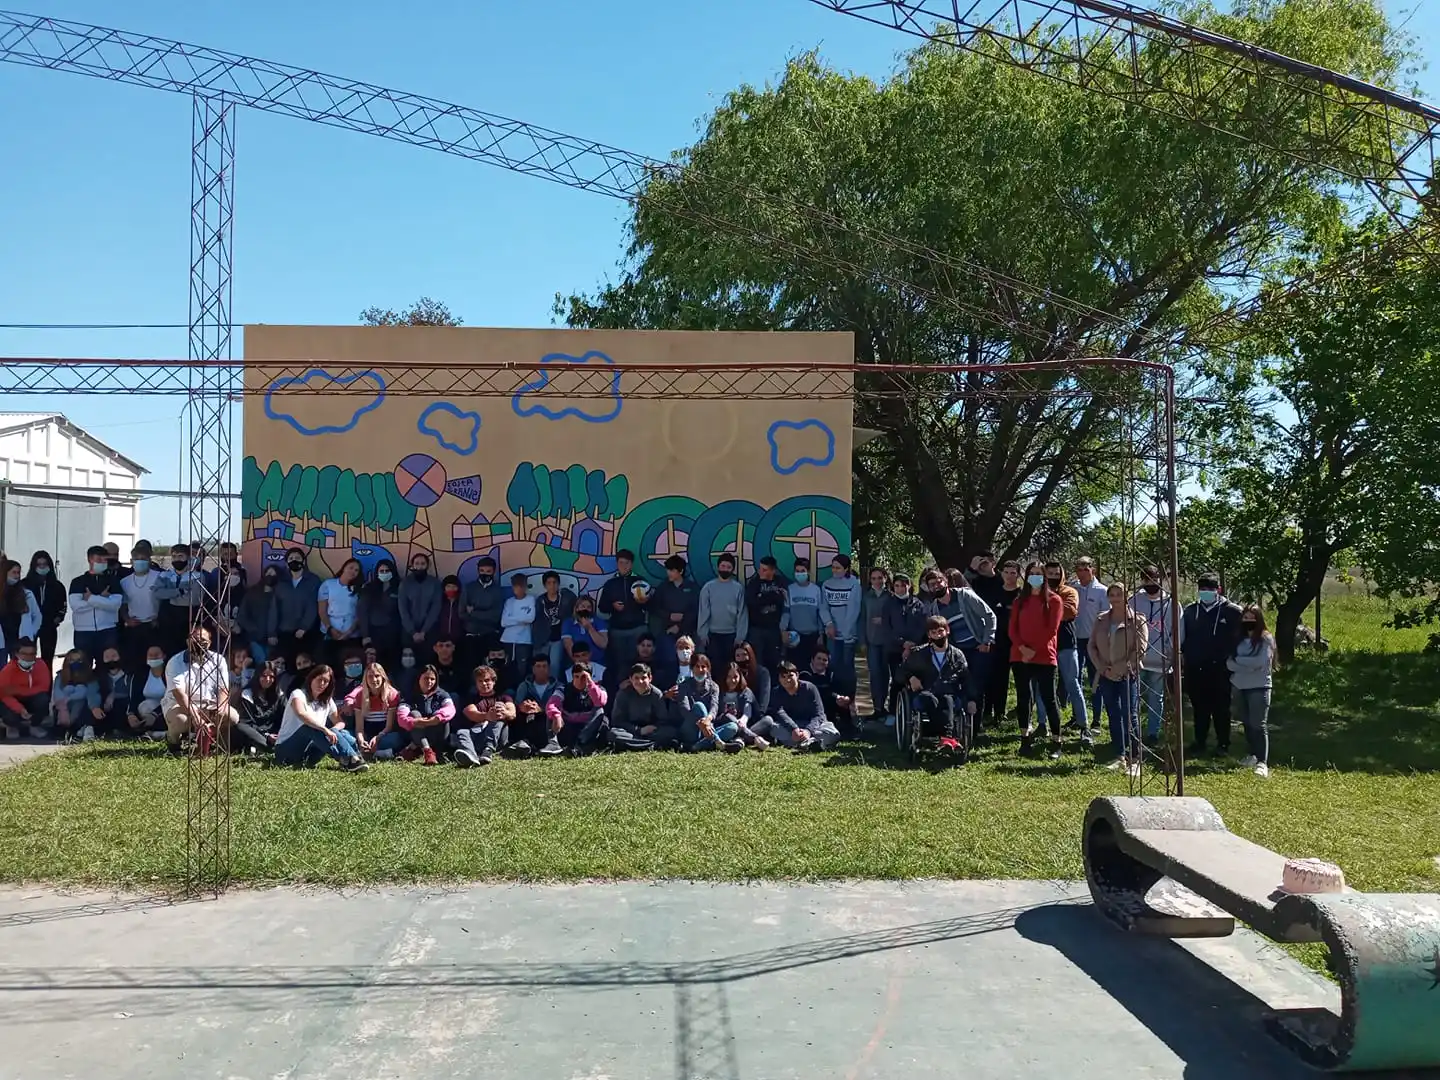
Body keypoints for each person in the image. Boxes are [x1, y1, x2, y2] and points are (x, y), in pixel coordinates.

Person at [925, 568, 997, 738]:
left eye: (938, 582)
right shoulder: (934, 608)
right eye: (931, 585)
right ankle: (961, 726)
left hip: (978, 647)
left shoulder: (964, 596)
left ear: (946, 582)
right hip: (958, 653)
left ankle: (976, 728)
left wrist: (987, 640)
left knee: (977, 687)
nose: (936, 586)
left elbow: (989, 616)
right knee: (960, 686)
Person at [1181, 572, 1244, 758]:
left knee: (1221, 708)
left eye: (1210, 589)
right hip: (1195, 668)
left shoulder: (1232, 611)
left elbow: (1240, 638)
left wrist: (1232, 659)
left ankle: (1223, 743)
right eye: (1202, 589)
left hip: (1221, 668)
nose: (1206, 593)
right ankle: (1200, 741)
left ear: (1219, 590)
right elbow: (1184, 637)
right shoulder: (1191, 611)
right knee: (1199, 707)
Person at [899, 615, 979, 760]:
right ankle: (948, 739)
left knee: (948, 701)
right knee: (930, 700)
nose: (938, 635)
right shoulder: (919, 653)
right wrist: (911, 678)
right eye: (934, 633)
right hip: (926, 692)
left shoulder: (957, 655)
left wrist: (972, 699)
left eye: (940, 631)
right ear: (929, 635)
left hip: (948, 692)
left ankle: (946, 740)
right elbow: (901, 671)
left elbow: (967, 679)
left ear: (947, 631)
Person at [1088, 583, 1147, 773]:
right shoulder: (1101, 619)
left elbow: (1140, 650)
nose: (1114, 598)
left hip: (1127, 674)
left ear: (1126, 596)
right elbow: (1091, 646)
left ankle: (1136, 758)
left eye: (1118, 594)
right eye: (1111, 595)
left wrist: (1120, 669)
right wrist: (1102, 668)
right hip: (1105, 674)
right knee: (1113, 714)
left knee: (1130, 715)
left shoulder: (1137, 620)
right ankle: (1120, 755)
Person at [1010, 561, 1065, 759]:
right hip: (1020, 656)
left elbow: (1052, 630)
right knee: (1024, 698)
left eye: (1038, 573)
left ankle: (1057, 742)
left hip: (1044, 656)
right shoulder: (1019, 601)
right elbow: (1012, 629)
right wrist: (1022, 649)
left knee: (1049, 699)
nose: (1035, 577)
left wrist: (1033, 650)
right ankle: (1025, 740)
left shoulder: (1054, 600)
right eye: (1031, 573)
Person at [273, 663, 367, 771]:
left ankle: (355, 757)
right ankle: (348, 758)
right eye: (319, 679)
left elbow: (340, 722)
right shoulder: (298, 694)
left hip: (309, 753)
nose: (322, 684)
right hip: (286, 751)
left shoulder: (327, 701)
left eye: (326, 681)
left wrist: (334, 730)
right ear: (312, 679)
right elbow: (301, 714)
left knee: (342, 732)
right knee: (309, 727)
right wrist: (325, 729)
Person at [1035, 560, 1087, 745]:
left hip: (1066, 643)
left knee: (1073, 683)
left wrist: (1046, 607)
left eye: (1057, 574)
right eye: (1050, 574)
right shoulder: (1036, 592)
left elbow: (1069, 611)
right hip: (1044, 645)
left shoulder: (1069, 591)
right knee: (1042, 687)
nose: (1054, 577)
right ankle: (1042, 724)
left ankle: (1083, 726)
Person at [162, 628, 238, 755]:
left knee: (232, 716)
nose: (199, 643)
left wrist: (220, 707)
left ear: (209, 642)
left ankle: (214, 742)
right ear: (188, 641)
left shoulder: (218, 660)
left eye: (203, 640)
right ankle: (173, 741)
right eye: (195, 639)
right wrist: (195, 717)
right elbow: (179, 694)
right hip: (179, 703)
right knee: (181, 721)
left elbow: (223, 688)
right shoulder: (175, 662)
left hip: (209, 702)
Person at [750, 661, 840, 751]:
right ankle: (810, 743)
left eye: (790, 676)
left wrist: (808, 731)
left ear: (797, 675)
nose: (787, 680)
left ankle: (805, 742)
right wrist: (794, 728)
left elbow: (819, 713)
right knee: (774, 729)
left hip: (812, 724)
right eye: (783, 677)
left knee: (833, 733)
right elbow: (779, 713)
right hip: (791, 727)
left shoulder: (810, 688)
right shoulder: (776, 692)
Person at [1228, 604, 1275, 778]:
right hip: (1239, 686)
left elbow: (1260, 663)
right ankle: (1252, 755)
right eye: (1245, 618)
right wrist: (1246, 664)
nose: (1248, 621)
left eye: (1252, 618)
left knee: (1258, 724)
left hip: (1259, 687)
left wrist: (1240, 662)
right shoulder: (1237, 638)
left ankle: (1263, 762)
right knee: (1246, 722)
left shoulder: (1266, 639)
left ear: (1259, 619)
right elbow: (1229, 663)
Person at [1132, 565, 1176, 745]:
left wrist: (1170, 652)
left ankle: (1152, 733)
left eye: (1154, 579)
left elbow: (1176, 631)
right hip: (1137, 659)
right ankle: (1133, 732)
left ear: (1161, 580)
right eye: (1146, 580)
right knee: (1133, 696)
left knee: (1155, 698)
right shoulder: (1134, 601)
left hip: (1160, 659)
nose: (1150, 583)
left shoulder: (1171, 603)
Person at [881, 573, 927, 725]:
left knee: (914, 679)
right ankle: (893, 712)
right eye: (897, 586)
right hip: (895, 649)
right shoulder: (888, 604)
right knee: (897, 680)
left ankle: (915, 710)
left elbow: (922, 626)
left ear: (909, 585)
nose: (900, 588)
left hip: (916, 649)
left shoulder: (918, 604)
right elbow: (887, 628)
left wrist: (912, 644)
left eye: (903, 585)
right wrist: (903, 644)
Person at [68, 545, 124, 669]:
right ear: (89, 560)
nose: (103, 563)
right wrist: (102, 598)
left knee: (106, 666)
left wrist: (91, 598)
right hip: (83, 631)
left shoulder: (112, 581)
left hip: (107, 630)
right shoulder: (78, 582)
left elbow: (115, 604)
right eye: (99, 560)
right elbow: (76, 606)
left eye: (105, 560)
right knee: (83, 666)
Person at [984, 561, 1023, 732]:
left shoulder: (1022, 595)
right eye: (1006, 572)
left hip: (1018, 643)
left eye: (1013, 573)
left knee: (1022, 680)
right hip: (998, 643)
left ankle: (1023, 715)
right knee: (998, 679)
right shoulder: (994, 593)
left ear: (1018, 575)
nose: (1009, 576)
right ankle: (996, 713)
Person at [598, 549, 650, 674]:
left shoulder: (640, 582)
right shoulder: (610, 583)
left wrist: (644, 602)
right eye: (621, 563)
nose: (623, 566)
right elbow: (602, 607)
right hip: (617, 630)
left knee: (639, 662)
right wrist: (613, 606)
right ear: (617, 564)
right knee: (619, 663)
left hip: (637, 628)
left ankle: (639, 687)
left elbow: (651, 606)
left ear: (631, 564)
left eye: (626, 563)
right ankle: (621, 690)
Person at [340, 661, 406, 759]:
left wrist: (377, 738)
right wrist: (361, 740)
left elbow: (389, 727)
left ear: (383, 677)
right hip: (366, 734)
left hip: (383, 734)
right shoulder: (360, 695)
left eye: (377, 676)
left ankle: (368, 752)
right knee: (343, 734)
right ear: (365, 679)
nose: (374, 679)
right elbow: (359, 729)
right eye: (370, 676)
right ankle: (371, 751)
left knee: (398, 738)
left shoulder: (392, 694)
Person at [454, 664, 515, 767]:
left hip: (498, 737)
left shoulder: (504, 697)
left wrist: (503, 713)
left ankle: (488, 750)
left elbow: (512, 713)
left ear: (493, 681)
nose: (484, 683)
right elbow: (472, 714)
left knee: (497, 717)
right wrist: (487, 715)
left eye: (487, 680)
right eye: (480, 681)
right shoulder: (470, 699)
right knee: (462, 732)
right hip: (478, 734)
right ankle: (471, 755)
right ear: (476, 684)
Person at [118, 542, 166, 672]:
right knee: (135, 662)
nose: (140, 562)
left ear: (149, 560)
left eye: (143, 559)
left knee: (154, 663)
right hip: (134, 626)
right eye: (136, 559)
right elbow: (123, 604)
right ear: (131, 561)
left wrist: (159, 619)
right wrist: (127, 619)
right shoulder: (124, 582)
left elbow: (165, 602)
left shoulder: (159, 577)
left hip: (154, 626)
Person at [1070, 556, 1107, 718]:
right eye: (1079, 568)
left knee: (1095, 680)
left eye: (1086, 568)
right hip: (1074, 640)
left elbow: (1106, 617)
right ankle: (1077, 716)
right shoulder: (1072, 589)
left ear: (1093, 569)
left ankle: (1097, 719)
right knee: (1074, 679)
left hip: (1094, 641)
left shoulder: (1102, 591)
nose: (1082, 572)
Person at [544, 660, 608, 753]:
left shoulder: (599, 689)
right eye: (576, 677)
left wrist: (590, 683)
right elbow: (552, 703)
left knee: (600, 712)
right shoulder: (563, 689)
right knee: (551, 712)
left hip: (588, 728)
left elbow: (600, 702)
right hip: (568, 726)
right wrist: (556, 716)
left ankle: (580, 745)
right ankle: (553, 744)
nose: (579, 680)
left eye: (583, 677)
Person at [697, 553, 747, 671]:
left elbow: (742, 614)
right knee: (714, 667)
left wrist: (740, 636)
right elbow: (703, 611)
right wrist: (703, 633)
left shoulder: (738, 588)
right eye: (723, 566)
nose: (725, 569)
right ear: (718, 567)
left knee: (730, 668)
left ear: (732, 569)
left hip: (732, 636)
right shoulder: (708, 587)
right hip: (712, 635)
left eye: (728, 567)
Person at [822, 555, 862, 698]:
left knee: (848, 669)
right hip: (833, 635)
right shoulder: (826, 584)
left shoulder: (854, 584)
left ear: (846, 569)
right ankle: (835, 700)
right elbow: (823, 607)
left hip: (848, 635)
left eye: (838, 567)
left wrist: (846, 631)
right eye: (833, 567)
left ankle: (850, 702)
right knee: (833, 667)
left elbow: (853, 609)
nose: (835, 570)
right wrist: (829, 624)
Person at [274, 548, 323, 665]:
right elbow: (275, 608)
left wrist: (304, 627)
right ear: (286, 563)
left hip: (307, 633)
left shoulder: (313, 580)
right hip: (285, 631)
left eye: (297, 558)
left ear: (304, 561)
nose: (294, 560)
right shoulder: (281, 582)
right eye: (291, 559)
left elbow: (313, 606)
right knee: (288, 664)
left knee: (306, 663)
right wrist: (272, 632)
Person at [511, 652, 564, 758]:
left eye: (544, 666)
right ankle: (525, 743)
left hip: (549, 721)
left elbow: (560, 706)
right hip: (529, 719)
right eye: (538, 666)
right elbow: (517, 705)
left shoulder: (558, 686)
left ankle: (553, 743)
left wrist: (541, 709)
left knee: (551, 713)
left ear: (549, 668)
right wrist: (523, 707)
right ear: (533, 669)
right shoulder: (524, 686)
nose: (541, 669)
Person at [157, 543, 205, 659]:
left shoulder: (197, 576)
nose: (177, 559)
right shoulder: (165, 575)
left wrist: (170, 595)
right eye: (174, 556)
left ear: (188, 558)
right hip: (168, 623)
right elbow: (157, 593)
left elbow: (193, 599)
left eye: (180, 556)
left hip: (188, 620)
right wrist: (180, 591)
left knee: (188, 656)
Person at [649, 556, 697, 670]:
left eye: (672, 570)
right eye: (668, 570)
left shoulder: (692, 588)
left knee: (686, 663)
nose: (669, 573)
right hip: (667, 632)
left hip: (687, 633)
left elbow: (695, 611)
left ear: (680, 571)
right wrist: (669, 615)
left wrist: (680, 625)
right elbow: (654, 607)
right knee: (668, 662)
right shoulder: (663, 587)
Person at [743, 556, 789, 674]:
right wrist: (772, 596)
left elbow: (783, 600)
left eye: (765, 570)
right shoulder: (754, 582)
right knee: (756, 663)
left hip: (774, 629)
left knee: (774, 662)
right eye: (760, 569)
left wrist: (762, 597)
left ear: (773, 570)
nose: (760, 572)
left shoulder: (780, 582)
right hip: (756, 629)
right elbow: (751, 602)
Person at [677, 653, 731, 751]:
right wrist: (701, 722)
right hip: (691, 727)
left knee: (733, 727)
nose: (700, 670)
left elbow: (714, 706)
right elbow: (684, 709)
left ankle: (696, 746)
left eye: (703, 667)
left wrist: (707, 721)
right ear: (692, 668)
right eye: (697, 666)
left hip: (708, 727)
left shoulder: (714, 687)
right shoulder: (683, 685)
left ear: (708, 669)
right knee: (699, 705)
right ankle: (717, 740)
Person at [22, 551, 66, 669]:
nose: (42, 567)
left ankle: (46, 686)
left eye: (45, 564)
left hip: (49, 627)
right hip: (29, 628)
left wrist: (57, 619)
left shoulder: (57, 586)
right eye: (39, 565)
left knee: (47, 661)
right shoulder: (24, 584)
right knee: (27, 659)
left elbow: (63, 606)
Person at [860, 566, 893, 723]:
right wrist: (862, 640)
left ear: (885, 578)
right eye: (874, 578)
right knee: (874, 675)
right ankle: (875, 707)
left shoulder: (890, 596)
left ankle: (885, 706)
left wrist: (884, 620)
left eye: (880, 578)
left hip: (887, 642)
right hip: (872, 640)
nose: (877, 581)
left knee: (886, 675)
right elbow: (861, 619)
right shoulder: (866, 597)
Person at [0, 638, 50, 740]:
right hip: (13, 700)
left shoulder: (40, 665)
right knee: (6, 709)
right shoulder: (7, 670)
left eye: (32, 654)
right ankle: (12, 726)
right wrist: (20, 708)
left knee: (43, 699)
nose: (29, 657)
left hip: (31, 698)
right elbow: (4, 694)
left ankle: (34, 725)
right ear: (16, 654)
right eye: (24, 653)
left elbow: (44, 687)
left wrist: (16, 690)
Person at [50, 647, 103, 742]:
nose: (75, 663)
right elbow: (57, 693)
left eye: (79, 660)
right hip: (63, 708)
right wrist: (63, 708)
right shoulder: (60, 676)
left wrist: (94, 706)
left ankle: (84, 729)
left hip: (81, 708)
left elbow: (92, 693)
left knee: (85, 703)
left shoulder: (90, 677)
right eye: (72, 660)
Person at [357, 559, 402, 670]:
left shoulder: (400, 588)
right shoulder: (369, 588)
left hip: (394, 634)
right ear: (377, 572)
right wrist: (365, 635)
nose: (384, 573)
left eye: (387, 570)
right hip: (374, 633)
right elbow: (362, 612)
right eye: (381, 571)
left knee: (392, 666)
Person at [317, 558, 363, 666]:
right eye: (351, 568)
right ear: (344, 568)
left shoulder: (359, 589)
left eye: (356, 570)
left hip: (351, 635)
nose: (353, 572)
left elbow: (360, 614)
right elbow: (322, 610)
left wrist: (349, 632)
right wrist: (330, 629)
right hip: (330, 634)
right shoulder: (328, 585)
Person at [462, 556, 505, 668]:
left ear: (494, 572)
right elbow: (462, 613)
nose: (485, 573)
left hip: (489, 635)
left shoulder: (497, 590)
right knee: (470, 668)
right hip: (471, 636)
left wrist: (474, 613)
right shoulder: (469, 588)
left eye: (488, 571)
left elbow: (496, 616)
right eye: (482, 571)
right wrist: (485, 613)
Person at [800, 647, 854, 736]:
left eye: (825, 660)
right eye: (819, 658)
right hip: (810, 706)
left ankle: (849, 729)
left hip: (829, 704)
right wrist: (836, 697)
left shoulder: (831, 673)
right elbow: (817, 691)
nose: (821, 662)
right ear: (812, 659)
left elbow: (841, 688)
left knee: (842, 702)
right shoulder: (804, 673)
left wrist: (846, 698)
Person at [785, 558, 828, 667]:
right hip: (795, 636)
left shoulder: (816, 590)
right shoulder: (790, 589)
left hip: (812, 636)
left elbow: (820, 613)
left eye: (802, 571)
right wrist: (783, 631)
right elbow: (786, 612)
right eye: (797, 571)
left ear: (808, 572)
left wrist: (821, 634)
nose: (800, 574)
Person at [234, 661, 285, 753]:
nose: (268, 679)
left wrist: (277, 734)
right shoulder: (247, 694)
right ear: (257, 675)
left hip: (274, 732)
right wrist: (266, 735)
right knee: (240, 726)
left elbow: (282, 718)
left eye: (271, 677)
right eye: (264, 675)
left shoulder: (279, 695)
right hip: (255, 731)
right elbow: (246, 722)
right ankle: (265, 747)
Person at [0, 559, 41, 668]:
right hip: (2, 638)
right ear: (5, 573)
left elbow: (37, 616)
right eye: (14, 572)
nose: (17, 576)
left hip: (20, 639)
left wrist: (31, 632)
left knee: (20, 669)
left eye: (18, 572)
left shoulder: (26, 594)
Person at [534, 570, 577, 674]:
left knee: (554, 665)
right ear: (545, 585)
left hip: (558, 637)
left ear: (558, 584)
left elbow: (576, 606)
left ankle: (553, 687)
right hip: (544, 638)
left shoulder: (566, 597)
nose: (552, 585)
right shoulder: (540, 600)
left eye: (554, 582)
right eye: (549, 583)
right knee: (541, 665)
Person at [123, 644, 170, 739]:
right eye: (150, 655)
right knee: (144, 707)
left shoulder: (170, 673)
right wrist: (131, 715)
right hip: (147, 710)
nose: (153, 657)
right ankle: (152, 732)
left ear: (164, 656)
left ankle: (154, 732)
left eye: (157, 654)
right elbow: (134, 697)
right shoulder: (140, 675)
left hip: (167, 707)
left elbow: (173, 697)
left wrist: (155, 714)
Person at [399, 553, 443, 654]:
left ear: (427, 565)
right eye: (417, 563)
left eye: (423, 563)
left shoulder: (434, 583)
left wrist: (424, 631)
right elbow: (403, 609)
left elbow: (435, 607)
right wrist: (412, 632)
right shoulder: (405, 583)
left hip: (429, 631)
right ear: (412, 565)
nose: (419, 566)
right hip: (408, 631)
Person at [239, 564, 280, 666]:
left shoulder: (280, 594)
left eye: (273, 574)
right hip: (255, 638)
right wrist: (253, 629)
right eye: (268, 573)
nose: (270, 576)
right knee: (261, 665)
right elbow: (242, 615)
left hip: (274, 640)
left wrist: (274, 634)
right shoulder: (253, 592)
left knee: (272, 667)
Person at [499, 573, 536, 686]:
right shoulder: (509, 601)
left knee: (522, 668)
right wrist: (521, 619)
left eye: (521, 586)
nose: (518, 589)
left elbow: (530, 618)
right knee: (507, 666)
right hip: (508, 639)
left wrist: (513, 618)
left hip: (524, 640)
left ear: (525, 586)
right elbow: (504, 622)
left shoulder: (531, 599)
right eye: (515, 586)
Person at [717, 662, 763, 750]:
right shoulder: (719, 692)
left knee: (768, 720)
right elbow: (718, 714)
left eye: (735, 677)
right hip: (727, 725)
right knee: (728, 716)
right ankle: (755, 739)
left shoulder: (746, 691)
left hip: (745, 725)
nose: (733, 681)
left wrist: (742, 721)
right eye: (729, 677)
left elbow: (747, 711)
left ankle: (740, 739)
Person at [562, 597, 609, 668]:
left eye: (588, 607)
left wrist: (589, 627)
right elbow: (568, 645)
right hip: (576, 663)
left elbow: (603, 644)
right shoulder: (568, 623)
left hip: (597, 663)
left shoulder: (599, 622)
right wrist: (580, 664)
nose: (585, 609)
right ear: (577, 608)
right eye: (582, 606)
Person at [733, 641, 771, 728]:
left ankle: (744, 735)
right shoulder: (732, 674)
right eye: (738, 656)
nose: (741, 658)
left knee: (768, 721)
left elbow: (764, 698)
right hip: (737, 714)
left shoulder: (762, 672)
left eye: (744, 654)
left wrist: (760, 714)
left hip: (756, 714)